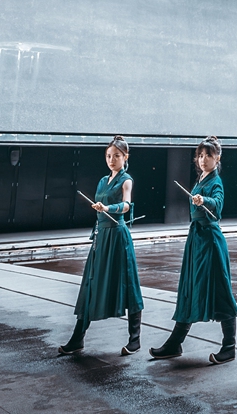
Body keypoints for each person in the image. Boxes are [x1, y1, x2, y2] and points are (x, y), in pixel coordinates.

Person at [149, 136, 237, 363]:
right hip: (197, 241)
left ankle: (229, 347)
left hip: (210, 241)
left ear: (217, 158)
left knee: (220, 290)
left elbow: (218, 206)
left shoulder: (215, 182)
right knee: (189, 289)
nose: (202, 159)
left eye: (208, 155)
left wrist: (205, 201)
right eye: (200, 155)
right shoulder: (201, 179)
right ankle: (175, 343)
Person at [58, 136, 144, 356]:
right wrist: (100, 209)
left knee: (128, 284)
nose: (112, 159)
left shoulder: (127, 180)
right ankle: (78, 339)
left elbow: (126, 205)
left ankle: (135, 340)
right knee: (90, 283)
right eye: (108, 155)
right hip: (101, 238)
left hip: (118, 237)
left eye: (116, 155)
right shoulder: (101, 181)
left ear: (125, 157)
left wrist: (107, 208)